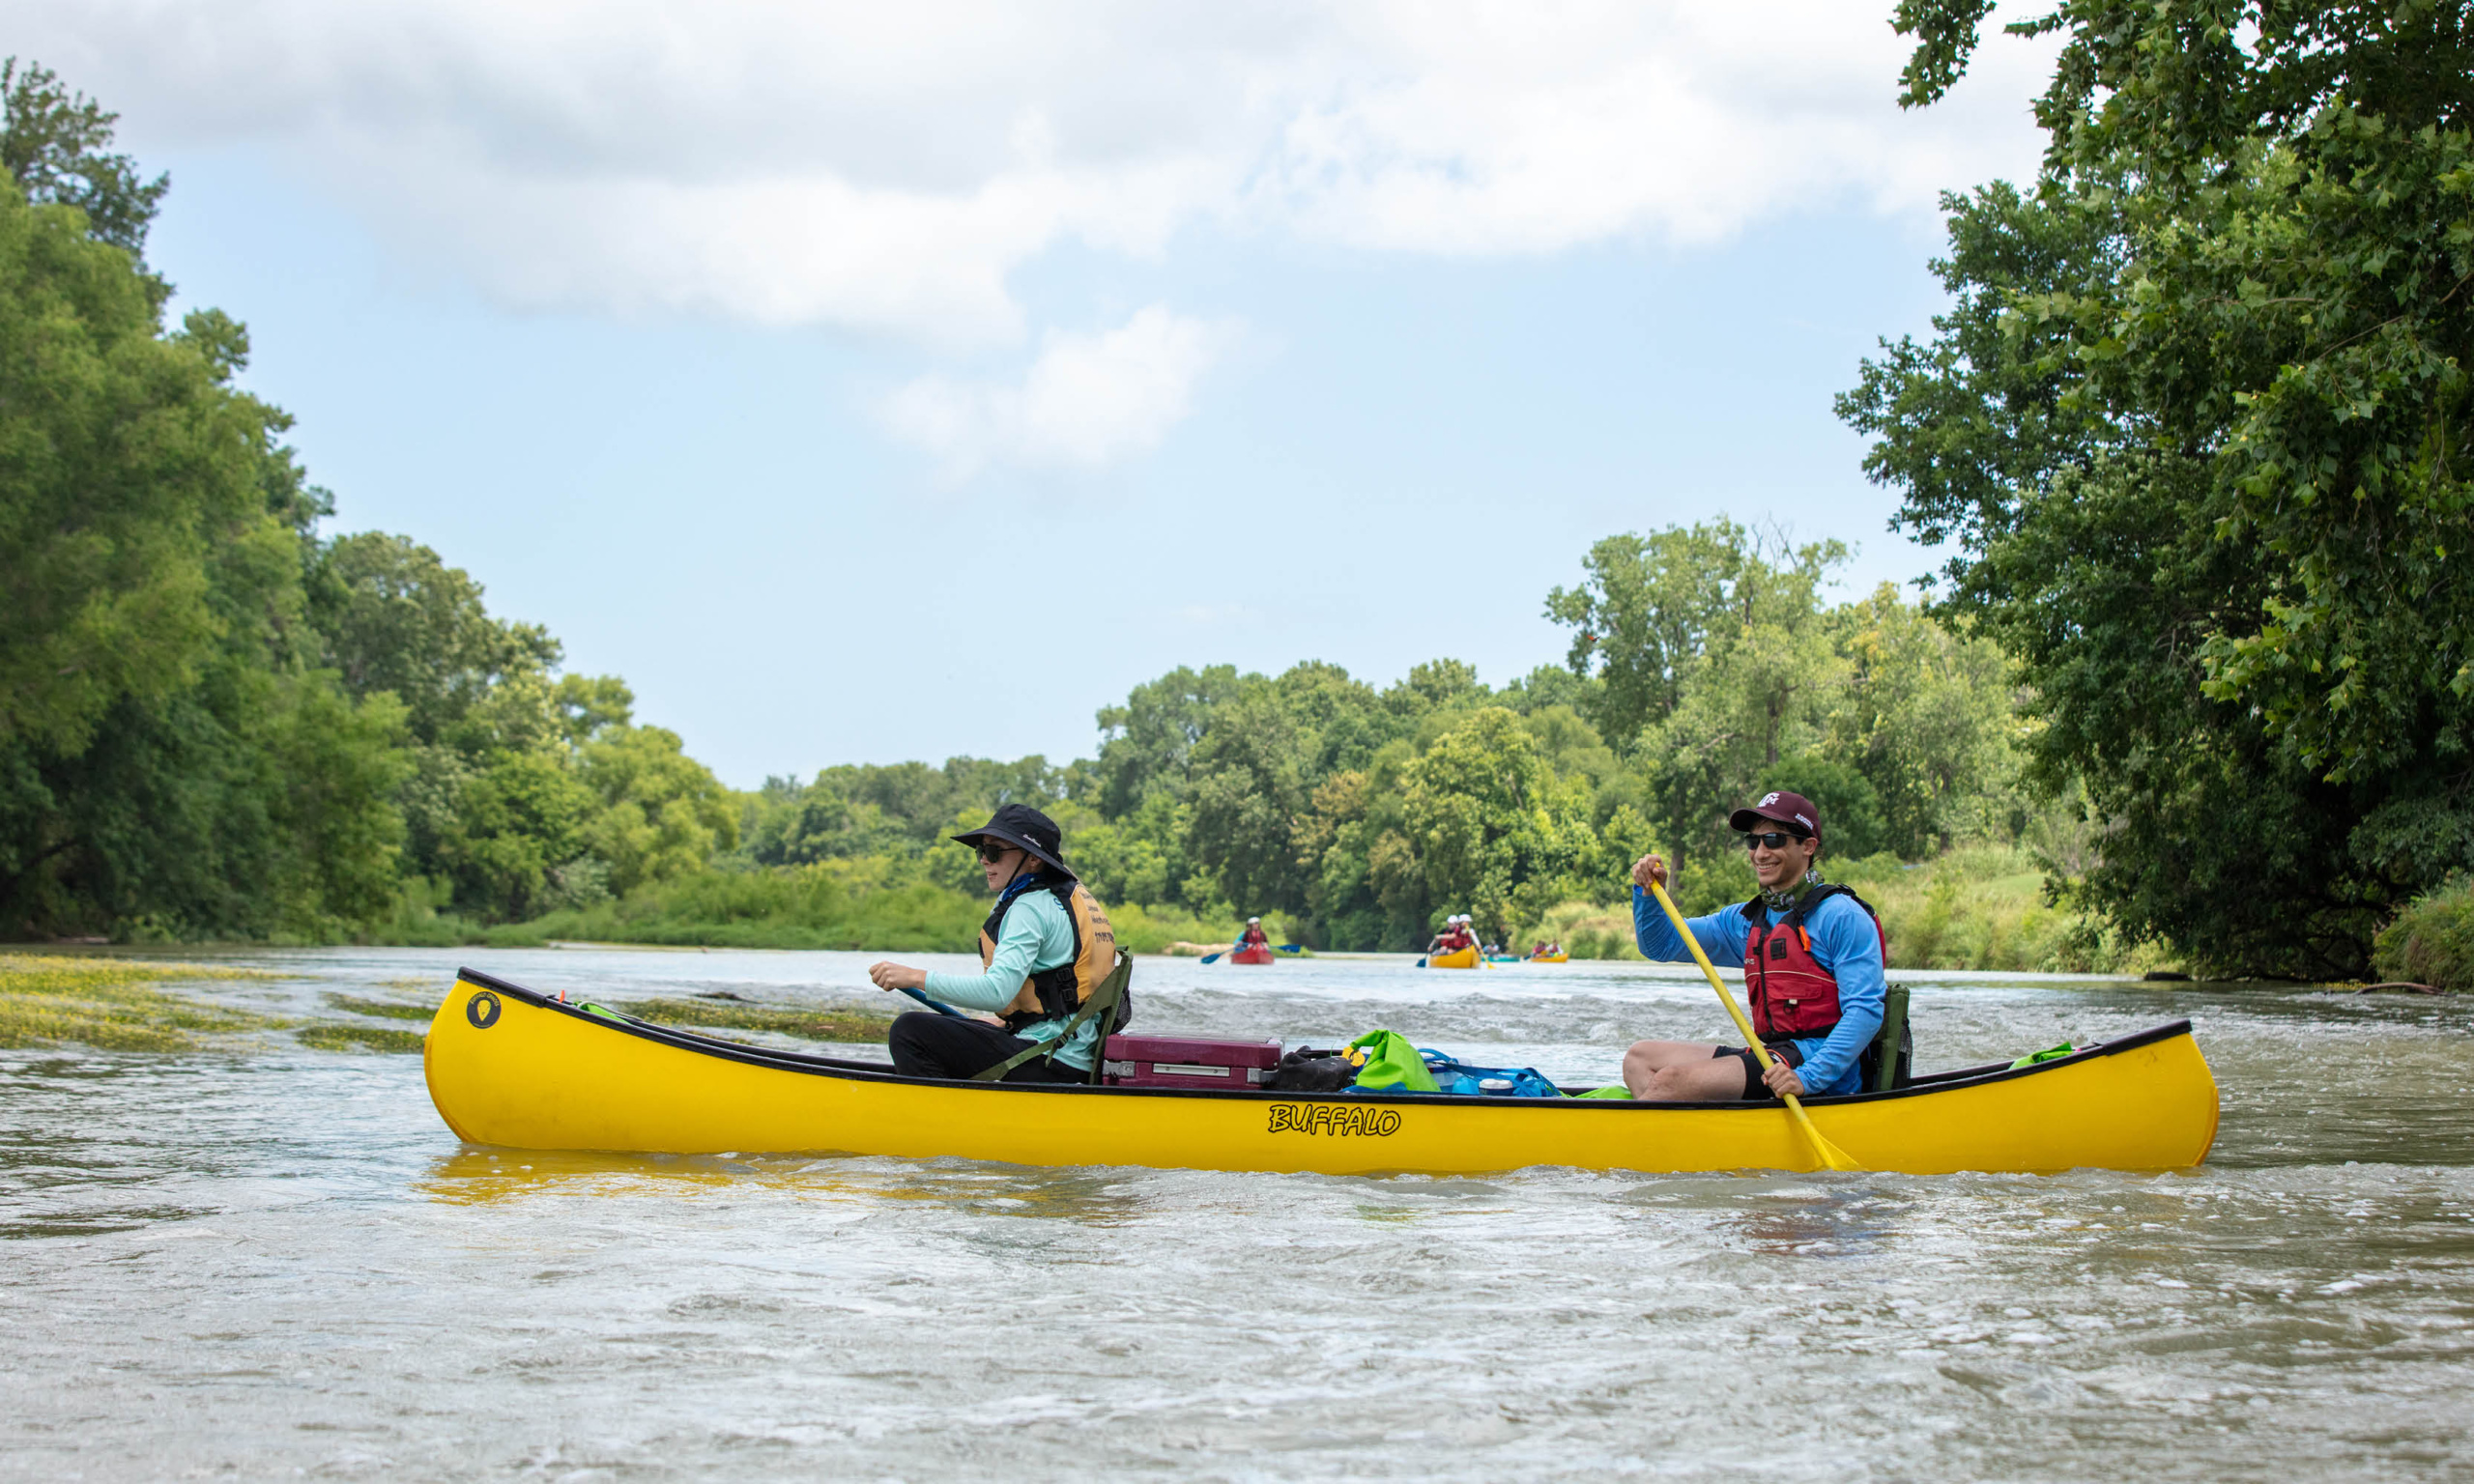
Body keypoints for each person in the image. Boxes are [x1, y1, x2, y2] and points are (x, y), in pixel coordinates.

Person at [1620, 789, 1887, 1102]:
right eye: (1753, 841)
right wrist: (1649, 895)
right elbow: (1659, 945)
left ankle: (1643, 1138)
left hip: (1822, 1069)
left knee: (1670, 1081)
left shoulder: (1842, 916)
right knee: (1639, 1060)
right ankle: (1685, 1139)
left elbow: (1866, 1011)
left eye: (1774, 840)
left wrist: (1807, 1078)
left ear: (1808, 846)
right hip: (1771, 1057)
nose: (1760, 853)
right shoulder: (1744, 921)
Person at [867, 804, 1122, 1082]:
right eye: (982, 851)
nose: (984, 861)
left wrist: (914, 977)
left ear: (1034, 860)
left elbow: (996, 993)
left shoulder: (1029, 908)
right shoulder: (1061, 900)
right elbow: (1060, 998)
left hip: (1051, 1058)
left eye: (994, 852)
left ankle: (938, 1118)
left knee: (909, 1030)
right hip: (1072, 1051)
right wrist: (1006, 1022)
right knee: (954, 1030)